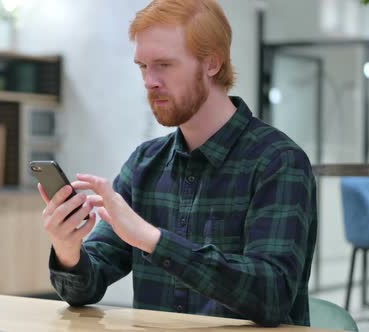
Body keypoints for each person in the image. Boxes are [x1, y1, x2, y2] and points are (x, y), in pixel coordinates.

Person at [37, 0, 317, 327]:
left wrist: (152, 239)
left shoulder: (278, 161)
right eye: (142, 66)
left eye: (164, 65)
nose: (149, 80)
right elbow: (88, 284)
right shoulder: (144, 164)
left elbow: (272, 296)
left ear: (211, 63)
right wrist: (68, 249)